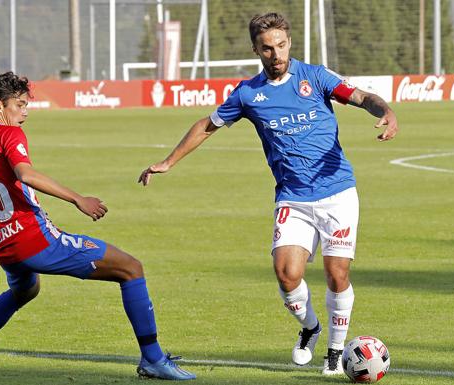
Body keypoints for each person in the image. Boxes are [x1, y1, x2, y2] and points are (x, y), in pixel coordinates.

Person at [138, 12, 398, 376]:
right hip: (292, 196)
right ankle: (310, 328)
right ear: (256, 50)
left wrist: (385, 111)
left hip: (337, 192)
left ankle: (335, 353)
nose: (276, 53)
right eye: (267, 48)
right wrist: (168, 162)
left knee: (336, 274)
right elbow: (206, 126)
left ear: (289, 43)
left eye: (281, 45)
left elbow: (361, 96)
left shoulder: (316, 77)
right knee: (286, 274)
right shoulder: (248, 94)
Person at [0, 71, 195, 381]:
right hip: (33, 240)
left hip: (1, 248)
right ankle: (153, 359)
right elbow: (25, 174)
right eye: (20, 104)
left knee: (25, 289)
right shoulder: (7, 134)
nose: (25, 112)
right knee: (131, 268)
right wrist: (78, 199)